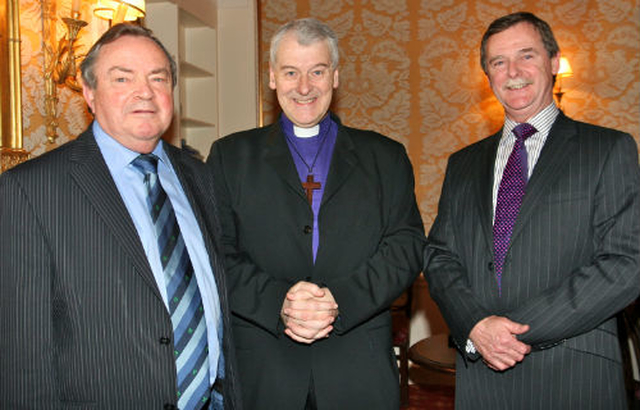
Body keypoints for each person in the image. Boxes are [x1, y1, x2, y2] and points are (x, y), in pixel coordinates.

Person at [0, 24, 240, 409]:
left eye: (157, 78)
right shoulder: (29, 191)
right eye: (122, 77)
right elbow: (21, 357)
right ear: (89, 92)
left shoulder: (202, 177)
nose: (144, 91)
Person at [424, 11, 640, 409]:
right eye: (498, 62)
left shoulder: (608, 149)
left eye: (527, 55)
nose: (513, 72)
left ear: (554, 62)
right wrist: (476, 325)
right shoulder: (463, 163)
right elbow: (439, 256)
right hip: (481, 376)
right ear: (487, 76)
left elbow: (625, 264)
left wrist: (511, 333)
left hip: (574, 372)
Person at [207, 18, 425, 410]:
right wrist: (280, 301)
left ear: (336, 77)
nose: (304, 87)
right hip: (265, 369)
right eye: (291, 72)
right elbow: (217, 252)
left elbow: (406, 246)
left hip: (357, 369)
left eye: (317, 71)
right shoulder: (229, 157)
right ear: (272, 78)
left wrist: (340, 300)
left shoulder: (386, 157)